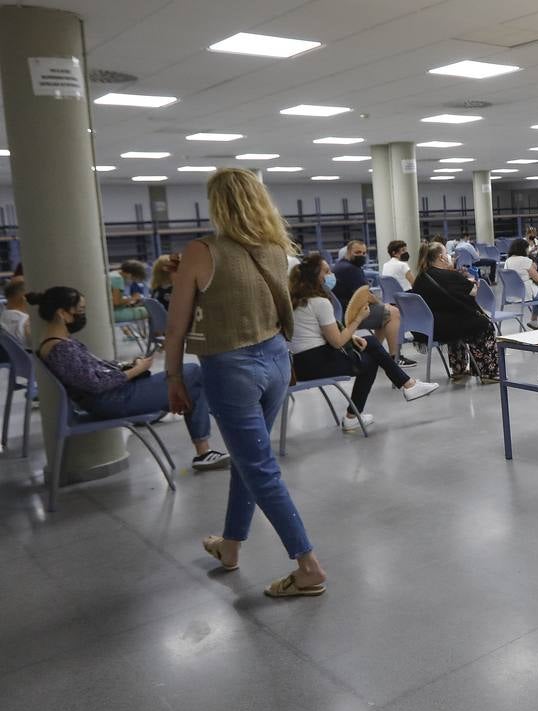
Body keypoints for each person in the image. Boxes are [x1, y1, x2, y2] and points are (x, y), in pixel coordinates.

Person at [164, 167, 328, 599]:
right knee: (247, 458)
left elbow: (176, 326)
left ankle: (308, 566)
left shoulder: (202, 251)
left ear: (217, 204)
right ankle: (231, 546)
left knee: (259, 467)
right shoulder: (275, 248)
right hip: (275, 362)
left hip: (230, 368)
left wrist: (175, 376)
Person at [31, 285, 229, 470]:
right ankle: (205, 446)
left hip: (111, 397)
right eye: (80, 310)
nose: (83, 314)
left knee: (193, 385)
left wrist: (124, 367)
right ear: (62, 313)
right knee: (193, 373)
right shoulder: (60, 348)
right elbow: (95, 384)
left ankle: (203, 448)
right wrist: (135, 370)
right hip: (113, 400)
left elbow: (93, 372)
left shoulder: (56, 344)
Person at [288, 254, 438, 429]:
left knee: (371, 343)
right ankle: (359, 413)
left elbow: (318, 334)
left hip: (300, 364)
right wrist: (359, 319)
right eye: (327, 271)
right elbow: (337, 342)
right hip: (317, 363)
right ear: (315, 277)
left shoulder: (297, 302)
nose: (331, 275)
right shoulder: (320, 303)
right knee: (371, 360)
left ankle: (407, 385)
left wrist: (351, 336)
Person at [410, 241, 501, 383]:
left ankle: (459, 369)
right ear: (441, 257)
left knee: (456, 320)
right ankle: (488, 372)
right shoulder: (450, 276)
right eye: (446, 253)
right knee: (484, 324)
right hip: (445, 328)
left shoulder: (420, 278)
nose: (449, 256)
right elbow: (473, 292)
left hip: (428, 329)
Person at [503, 238, 538, 326]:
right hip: (526, 293)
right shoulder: (525, 260)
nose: (528, 250)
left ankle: (534, 320)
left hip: (513, 295)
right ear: (523, 249)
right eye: (527, 248)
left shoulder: (508, 261)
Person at [109, 259, 151, 330]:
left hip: (109, 311)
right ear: (130, 274)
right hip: (113, 314)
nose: (132, 281)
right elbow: (116, 302)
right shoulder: (118, 279)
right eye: (134, 279)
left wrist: (127, 301)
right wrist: (133, 298)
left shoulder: (112, 274)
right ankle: (156, 335)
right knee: (150, 311)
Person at [330, 239, 369, 309]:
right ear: (348, 252)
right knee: (390, 311)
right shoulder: (351, 269)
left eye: (364, 253)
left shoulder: (340, 264)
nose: (361, 255)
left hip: (341, 307)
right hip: (350, 309)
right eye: (357, 252)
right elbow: (365, 295)